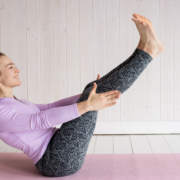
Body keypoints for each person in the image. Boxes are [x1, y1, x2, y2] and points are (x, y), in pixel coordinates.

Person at [0, 13, 164, 177]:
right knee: (90, 96)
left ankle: (144, 48)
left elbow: (50, 108)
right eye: (10, 67)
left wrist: (82, 96)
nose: (17, 70)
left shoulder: (15, 102)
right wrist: (86, 103)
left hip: (59, 150)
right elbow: (40, 120)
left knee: (90, 89)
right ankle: (147, 51)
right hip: (55, 161)